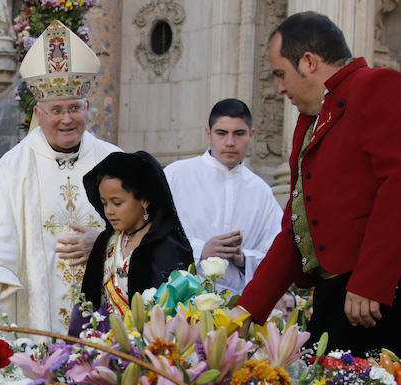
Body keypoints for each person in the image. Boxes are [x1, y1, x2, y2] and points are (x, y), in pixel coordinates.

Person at [235, 11, 401, 355]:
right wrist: (248, 308)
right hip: (334, 299)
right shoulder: (311, 121)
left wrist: (371, 281)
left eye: (281, 74)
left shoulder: (377, 85)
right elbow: (298, 227)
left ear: (309, 62)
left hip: (374, 301)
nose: (280, 88)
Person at [0, 20, 121, 334]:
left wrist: (104, 245)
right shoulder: (14, 167)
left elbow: (148, 233)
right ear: (39, 113)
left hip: (107, 325)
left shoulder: (115, 162)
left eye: (75, 107)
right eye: (56, 109)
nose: (67, 119)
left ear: (88, 107)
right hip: (35, 325)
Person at [165, 99, 283, 295]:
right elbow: (154, 233)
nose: (230, 142)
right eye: (221, 133)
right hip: (182, 298)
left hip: (238, 302)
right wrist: (201, 250)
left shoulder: (260, 191)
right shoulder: (176, 176)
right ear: (208, 134)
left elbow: (276, 252)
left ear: (251, 135)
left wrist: (244, 258)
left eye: (239, 134)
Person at [69, 151, 193, 336]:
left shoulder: (168, 248)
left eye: (117, 203)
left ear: (144, 199)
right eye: (104, 203)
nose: (109, 211)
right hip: (102, 346)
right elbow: (88, 300)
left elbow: (179, 314)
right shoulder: (106, 241)